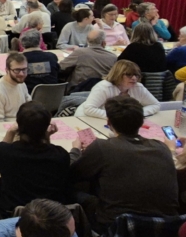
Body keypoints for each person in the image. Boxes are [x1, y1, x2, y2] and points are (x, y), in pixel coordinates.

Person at [69, 96, 178, 228]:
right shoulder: (162, 148)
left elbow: (72, 174)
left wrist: (76, 150)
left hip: (117, 226)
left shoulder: (102, 147)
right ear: (141, 122)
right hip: (164, 227)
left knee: (72, 191)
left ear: (108, 122)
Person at [0, 103, 71, 218]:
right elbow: (47, 151)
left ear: (19, 125)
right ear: (46, 127)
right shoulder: (61, 155)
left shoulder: (5, 152)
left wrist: (10, 132)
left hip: (14, 215)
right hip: (50, 215)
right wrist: (46, 137)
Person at [76, 60, 160, 119]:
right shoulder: (103, 87)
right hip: (87, 118)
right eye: (129, 75)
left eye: (136, 75)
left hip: (115, 123)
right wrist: (118, 117)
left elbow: (155, 104)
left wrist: (137, 114)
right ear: (118, 75)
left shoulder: (138, 87)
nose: (134, 78)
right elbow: (89, 109)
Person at [0, 52, 31, 121]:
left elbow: (29, 106)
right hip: (8, 126)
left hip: (23, 123)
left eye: (24, 69)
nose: (22, 74)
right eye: (17, 70)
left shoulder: (21, 83)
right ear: (7, 70)